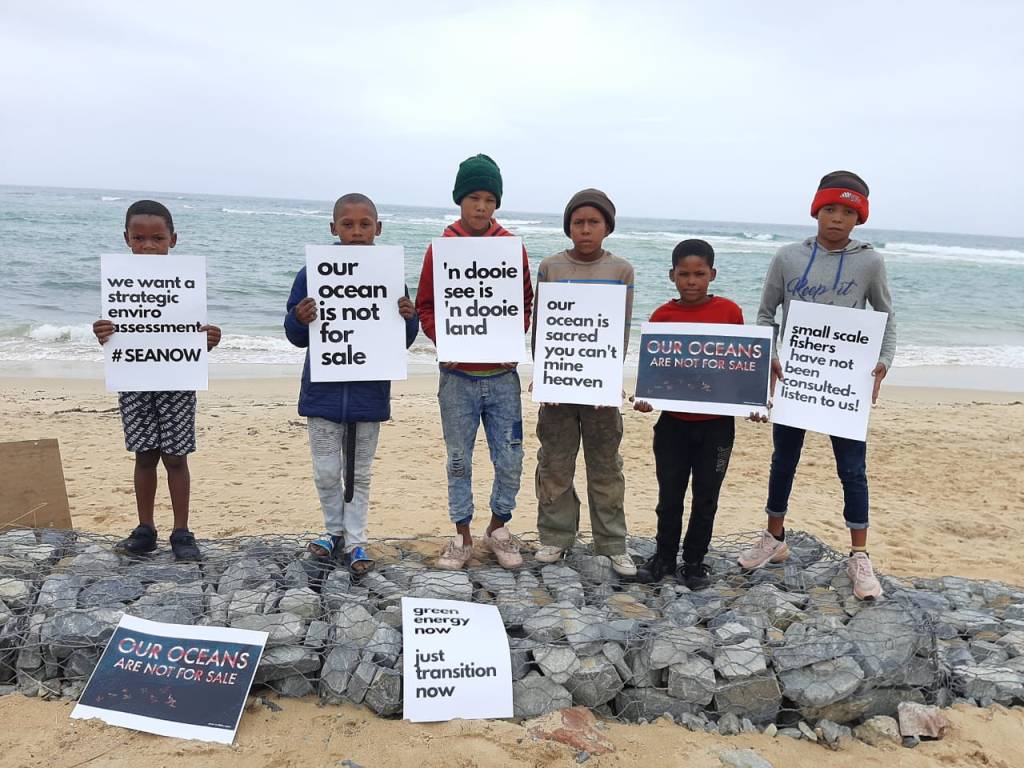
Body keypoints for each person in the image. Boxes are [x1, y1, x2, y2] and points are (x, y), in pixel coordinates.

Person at [739, 171, 896, 600]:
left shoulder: (870, 262)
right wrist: (770, 355)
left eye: (847, 212)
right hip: (799, 378)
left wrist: (883, 362)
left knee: (852, 469)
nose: (837, 218)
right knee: (783, 460)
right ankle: (774, 537)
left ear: (858, 218)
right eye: (830, 209)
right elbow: (766, 313)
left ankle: (859, 555)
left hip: (844, 383)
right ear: (816, 211)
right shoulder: (787, 257)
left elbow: (886, 317)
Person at [284, 193, 418, 574]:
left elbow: (403, 340)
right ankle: (333, 531)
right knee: (326, 470)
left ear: (379, 228)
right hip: (323, 394)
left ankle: (356, 539)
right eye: (347, 224)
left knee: (360, 473)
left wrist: (408, 318)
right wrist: (299, 318)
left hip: (368, 396)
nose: (356, 232)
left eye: (364, 224)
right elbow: (294, 335)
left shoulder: (389, 275)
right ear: (333, 228)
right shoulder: (312, 273)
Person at [415, 154, 533, 570]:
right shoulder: (441, 249)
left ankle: (498, 527)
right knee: (458, 460)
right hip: (457, 379)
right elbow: (426, 305)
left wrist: (505, 336)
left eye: (489, 199)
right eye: (473, 198)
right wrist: (447, 337)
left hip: (502, 377)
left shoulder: (512, 248)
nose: (481, 207)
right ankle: (461, 534)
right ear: (460, 200)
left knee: (511, 458)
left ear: (496, 203)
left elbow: (525, 302)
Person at [92, 200, 221, 560]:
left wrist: (209, 339)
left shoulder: (185, 284)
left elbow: (191, 331)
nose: (148, 246)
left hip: (177, 380)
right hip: (135, 379)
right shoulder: (120, 283)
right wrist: (102, 332)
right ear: (126, 239)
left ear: (173, 240)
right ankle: (145, 529)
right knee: (144, 455)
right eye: (139, 238)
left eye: (157, 238)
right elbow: (116, 331)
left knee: (176, 458)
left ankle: (181, 531)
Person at [532, 188, 637, 576]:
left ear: (607, 227)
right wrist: (544, 375)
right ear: (568, 227)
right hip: (558, 387)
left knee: (606, 467)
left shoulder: (621, 270)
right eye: (578, 222)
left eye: (594, 222)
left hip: (600, 393)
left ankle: (612, 543)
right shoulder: (550, 267)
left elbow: (620, 331)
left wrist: (608, 379)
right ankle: (555, 536)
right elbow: (542, 327)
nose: (586, 229)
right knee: (554, 463)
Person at [633, 239, 746, 589]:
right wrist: (647, 398)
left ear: (713, 274)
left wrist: (753, 402)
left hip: (717, 428)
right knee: (669, 498)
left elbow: (742, 366)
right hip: (673, 426)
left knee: (706, 498)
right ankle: (664, 557)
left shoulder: (730, 312)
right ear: (672, 275)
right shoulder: (661, 317)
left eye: (699, 274)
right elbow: (655, 371)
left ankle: (695, 561)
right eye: (684, 274)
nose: (692, 281)